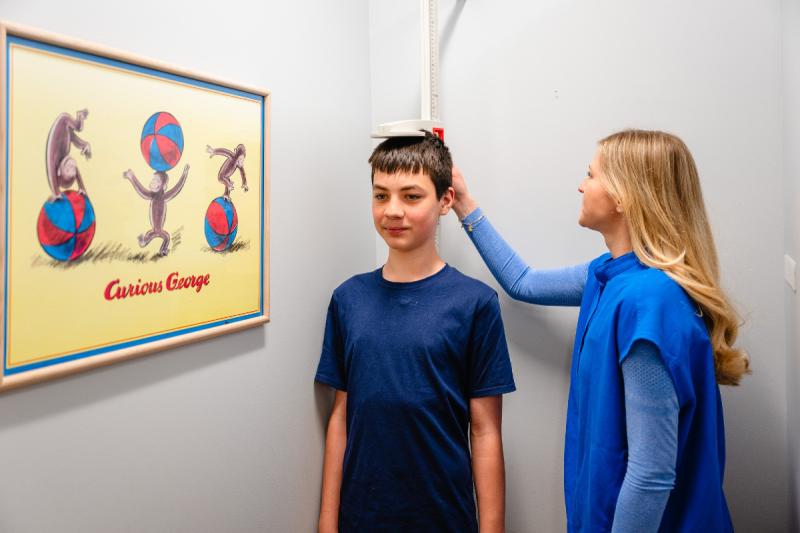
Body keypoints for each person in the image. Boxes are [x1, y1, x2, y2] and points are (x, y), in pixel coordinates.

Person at [451, 129, 749, 532]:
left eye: (590, 175)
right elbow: (523, 282)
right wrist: (465, 204)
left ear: (624, 196)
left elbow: (650, 475)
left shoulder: (649, 304)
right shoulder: (610, 276)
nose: (581, 184)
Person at [315, 132, 516, 532]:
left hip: (443, 515)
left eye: (411, 196)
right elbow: (341, 416)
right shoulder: (348, 299)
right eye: (380, 196)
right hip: (363, 515)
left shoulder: (475, 303)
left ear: (444, 201)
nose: (392, 210)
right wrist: (327, 521)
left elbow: (486, 431)